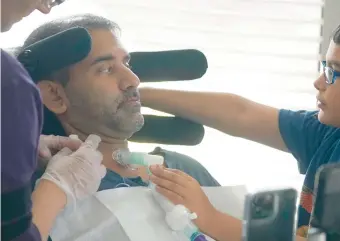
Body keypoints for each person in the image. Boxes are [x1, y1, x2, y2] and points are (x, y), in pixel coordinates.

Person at [141, 9, 340, 240]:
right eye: (324, 67)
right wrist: (139, 94)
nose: (319, 82)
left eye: (334, 73)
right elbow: (240, 113)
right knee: (177, 163)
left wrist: (209, 218)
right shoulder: (331, 134)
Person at [17, 13, 220, 192]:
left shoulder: (183, 170)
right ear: (55, 96)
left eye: (127, 63)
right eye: (105, 69)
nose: (133, 80)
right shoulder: (45, 198)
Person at [1, 1, 106, 241]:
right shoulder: (8, 84)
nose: (44, 8)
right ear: (54, 94)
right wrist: (55, 191)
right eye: (105, 69)